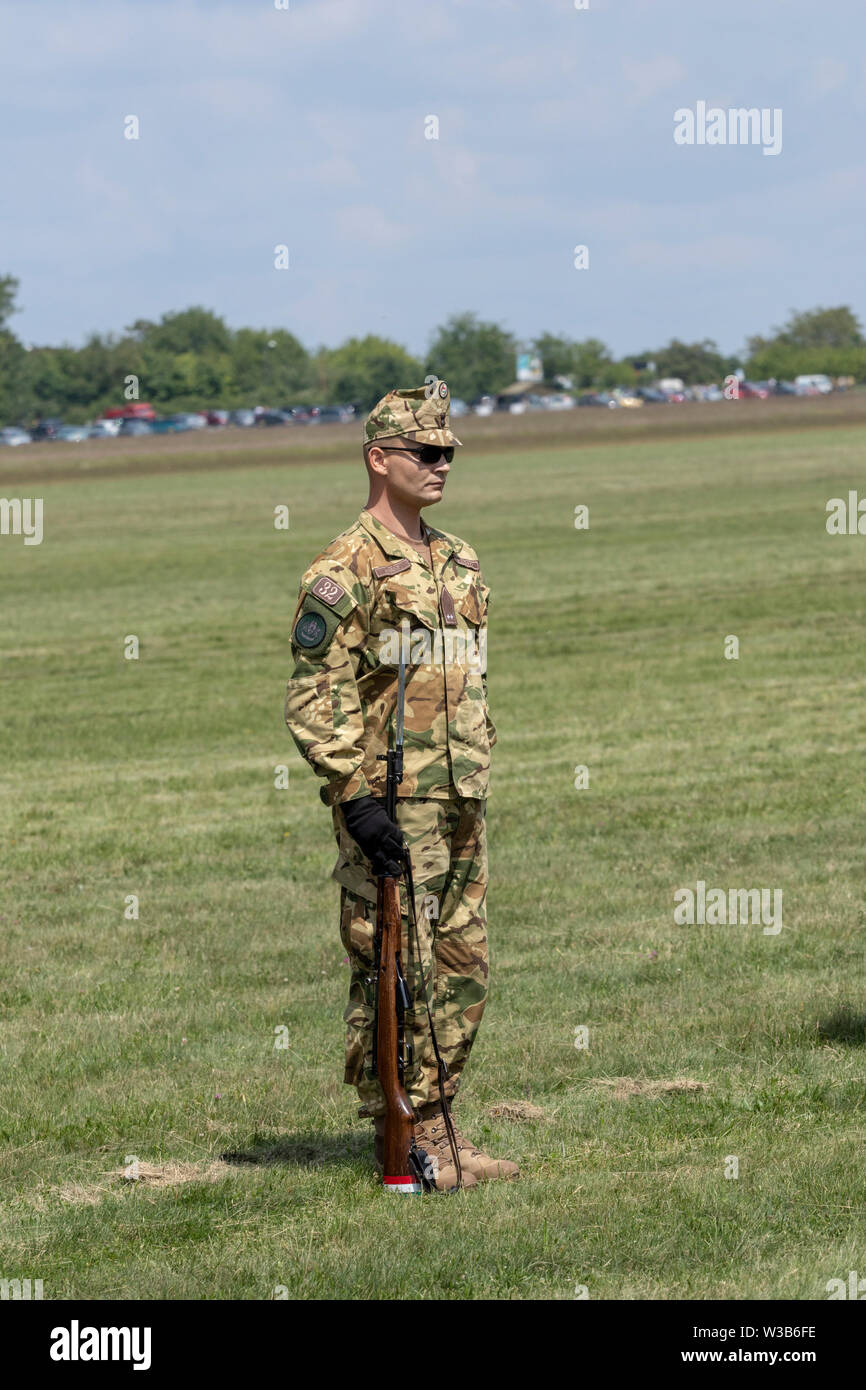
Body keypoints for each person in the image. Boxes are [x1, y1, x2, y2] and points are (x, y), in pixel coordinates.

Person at [284, 382, 519, 1190]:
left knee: (462, 965)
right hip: (391, 805)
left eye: (449, 451)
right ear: (379, 459)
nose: (442, 463)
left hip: (460, 798)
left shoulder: (458, 557)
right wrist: (354, 797)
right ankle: (402, 1136)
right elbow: (318, 690)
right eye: (427, 451)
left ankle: (445, 1129)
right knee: (396, 969)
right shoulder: (344, 566)